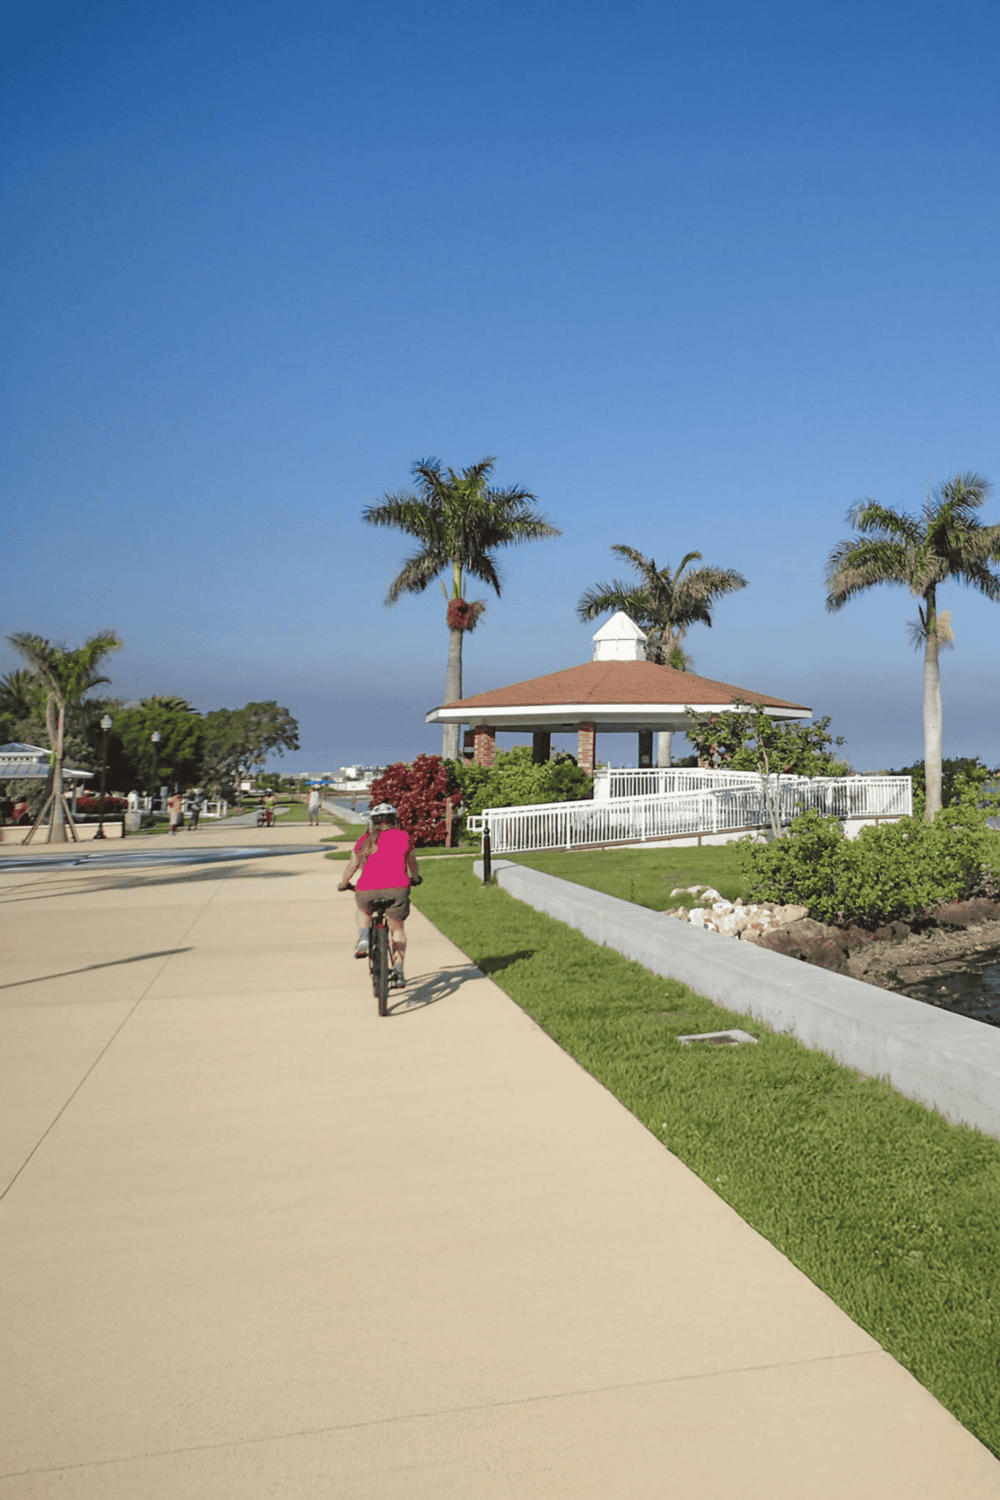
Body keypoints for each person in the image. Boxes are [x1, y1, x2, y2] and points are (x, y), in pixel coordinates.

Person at [338, 803, 419, 987]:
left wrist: (344, 884)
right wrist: (415, 878)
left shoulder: (365, 840)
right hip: (398, 889)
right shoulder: (404, 837)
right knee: (397, 929)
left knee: (363, 910)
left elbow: (352, 865)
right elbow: (412, 864)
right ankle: (398, 973)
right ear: (394, 820)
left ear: (373, 822)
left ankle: (364, 938)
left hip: (367, 890)